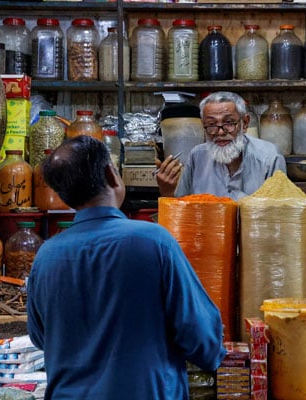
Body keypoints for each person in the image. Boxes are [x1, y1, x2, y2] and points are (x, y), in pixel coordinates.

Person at [27, 135, 226, 399]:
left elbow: (42, 338)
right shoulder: (154, 241)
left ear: (63, 195)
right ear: (111, 174)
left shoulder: (45, 256)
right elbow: (201, 337)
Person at [156, 91, 286, 200]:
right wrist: (167, 191)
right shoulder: (197, 156)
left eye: (229, 122)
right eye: (211, 124)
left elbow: (277, 215)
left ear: (245, 123)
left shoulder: (269, 158)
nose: (220, 132)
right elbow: (182, 209)